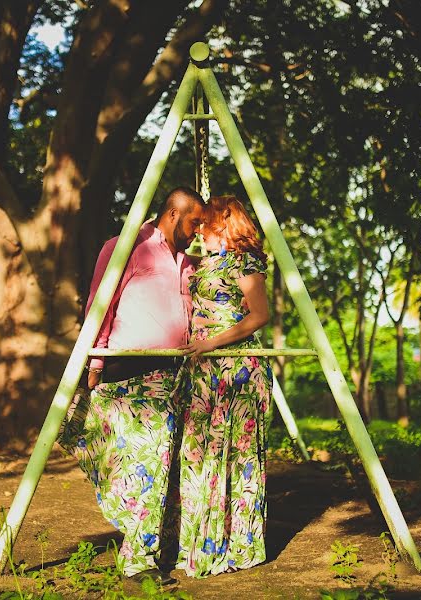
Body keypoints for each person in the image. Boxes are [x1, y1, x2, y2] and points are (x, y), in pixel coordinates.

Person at [69, 186, 205, 581]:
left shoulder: (189, 261)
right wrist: (94, 363)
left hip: (174, 377)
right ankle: (136, 564)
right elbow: (100, 303)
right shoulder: (126, 245)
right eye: (195, 221)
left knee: (163, 467)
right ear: (174, 214)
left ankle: (150, 552)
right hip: (129, 371)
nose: (198, 230)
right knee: (140, 467)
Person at [176, 195, 272, 577]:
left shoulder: (245, 261)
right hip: (203, 371)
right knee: (200, 455)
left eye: (206, 223)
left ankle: (237, 545)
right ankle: (200, 540)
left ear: (224, 223)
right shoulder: (207, 261)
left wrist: (212, 343)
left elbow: (260, 315)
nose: (199, 229)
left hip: (236, 370)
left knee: (235, 455)